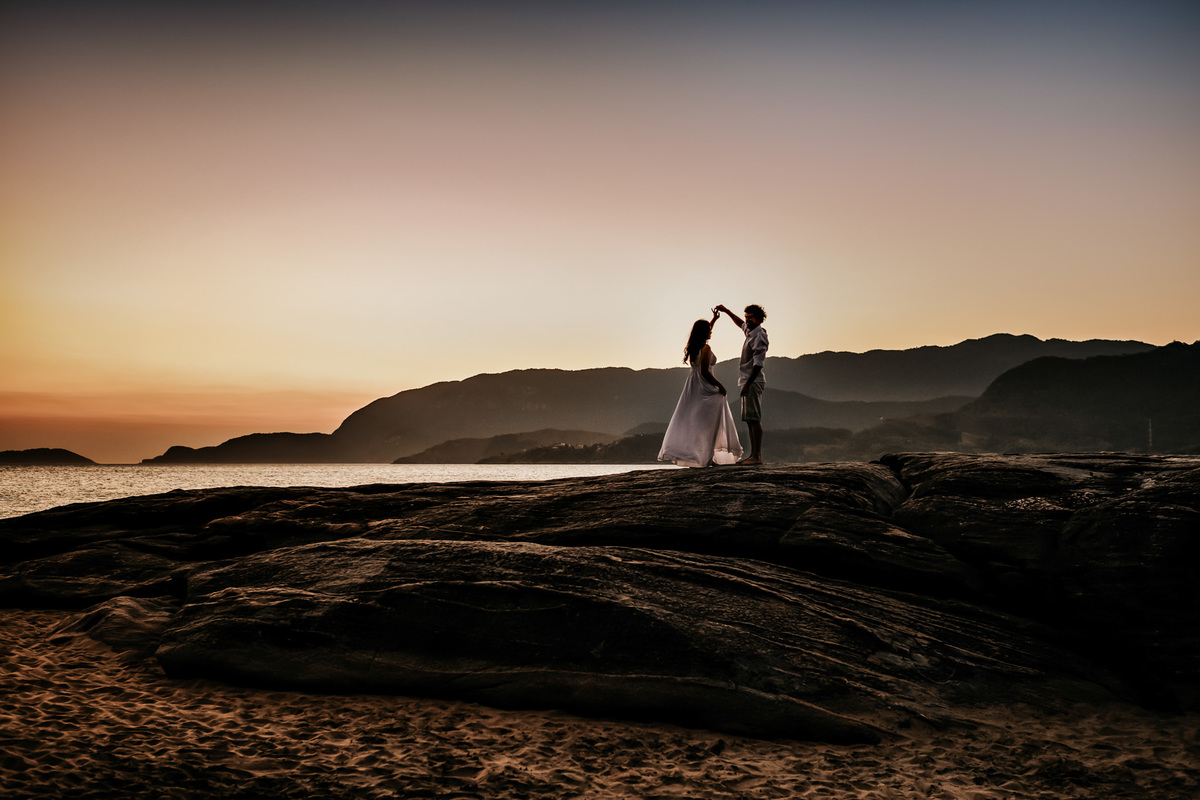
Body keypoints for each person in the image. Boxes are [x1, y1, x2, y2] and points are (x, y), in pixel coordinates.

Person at [657, 310, 743, 467]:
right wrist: (720, 385)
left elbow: (704, 331)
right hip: (704, 387)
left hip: (693, 386)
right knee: (709, 424)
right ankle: (709, 458)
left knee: (696, 422)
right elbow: (704, 372)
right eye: (709, 330)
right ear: (704, 333)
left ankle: (704, 457)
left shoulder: (694, 346)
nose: (711, 332)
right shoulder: (706, 349)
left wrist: (714, 320)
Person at [714, 303, 768, 465]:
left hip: (752, 381)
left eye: (750, 317)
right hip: (746, 380)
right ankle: (754, 455)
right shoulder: (751, 331)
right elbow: (740, 324)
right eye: (746, 317)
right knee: (750, 419)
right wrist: (727, 311)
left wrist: (748, 384)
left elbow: (759, 363)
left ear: (758, 318)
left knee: (754, 419)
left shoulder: (759, 336)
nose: (747, 320)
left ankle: (756, 456)